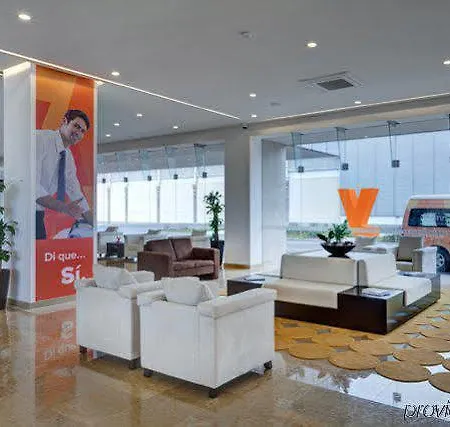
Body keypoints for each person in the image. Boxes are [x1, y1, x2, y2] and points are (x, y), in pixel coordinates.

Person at [36, 109, 93, 240]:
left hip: (38, 214)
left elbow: (75, 192)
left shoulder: (67, 156)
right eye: (76, 126)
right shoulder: (40, 139)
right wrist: (64, 208)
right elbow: (31, 185)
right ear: (64, 121)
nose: (78, 133)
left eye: (82, 131)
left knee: (41, 250)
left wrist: (94, 224)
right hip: (21, 212)